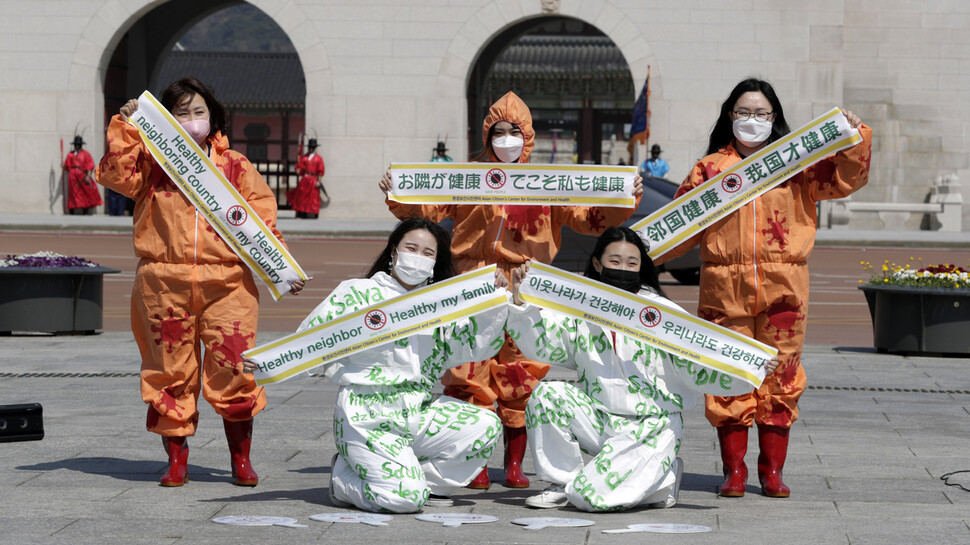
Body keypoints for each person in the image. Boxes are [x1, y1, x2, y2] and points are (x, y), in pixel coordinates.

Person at [380, 91, 643, 489]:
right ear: (487, 138)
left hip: (527, 282)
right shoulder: (468, 177)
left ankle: (515, 463)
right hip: (473, 281)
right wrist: (398, 193)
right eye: (498, 132)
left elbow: (589, 217)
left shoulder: (549, 183)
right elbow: (428, 208)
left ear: (528, 137)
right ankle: (472, 460)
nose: (506, 139)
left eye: (514, 132)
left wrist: (625, 195)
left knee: (521, 371)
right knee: (468, 367)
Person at [655, 77, 872, 498]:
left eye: (761, 113)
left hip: (784, 282)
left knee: (782, 374)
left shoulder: (798, 163)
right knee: (728, 368)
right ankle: (733, 471)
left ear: (775, 118)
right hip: (722, 283)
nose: (751, 120)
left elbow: (845, 180)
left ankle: (771, 472)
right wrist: (634, 257)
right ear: (729, 116)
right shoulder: (710, 168)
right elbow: (678, 225)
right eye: (743, 112)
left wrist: (853, 135)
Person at [96, 77, 306, 488]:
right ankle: (177, 460)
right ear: (166, 119)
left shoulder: (236, 166)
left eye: (199, 112)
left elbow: (261, 220)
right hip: (163, 279)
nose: (192, 121)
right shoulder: (152, 163)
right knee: (169, 370)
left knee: (235, 366)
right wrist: (127, 129)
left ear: (213, 116)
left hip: (227, 281)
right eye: (181, 113)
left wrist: (281, 267)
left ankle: (240, 458)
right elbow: (116, 177)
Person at [505, 227, 779, 511]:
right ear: (597, 264)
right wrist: (522, 303)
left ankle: (663, 477)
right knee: (548, 395)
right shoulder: (580, 308)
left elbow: (699, 363)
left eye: (631, 263)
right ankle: (560, 483)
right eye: (615, 261)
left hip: (650, 426)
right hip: (599, 418)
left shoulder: (661, 314)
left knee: (590, 498)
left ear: (641, 267)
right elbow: (547, 345)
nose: (623, 268)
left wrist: (750, 366)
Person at [246, 218, 505, 513]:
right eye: (411, 247)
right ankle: (344, 481)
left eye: (428, 253)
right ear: (394, 252)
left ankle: (424, 483)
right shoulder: (357, 293)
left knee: (484, 426)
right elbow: (312, 339)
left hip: (415, 411)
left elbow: (471, 342)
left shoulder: (441, 305)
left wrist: (493, 300)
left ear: (436, 262)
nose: (418, 257)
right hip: (365, 415)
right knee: (405, 500)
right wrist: (272, 361)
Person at [63, 135, 102, 215]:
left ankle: (85, 209)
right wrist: (64, 166)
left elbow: (90, 165)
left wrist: (88, 175)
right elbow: (67, 166)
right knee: (73, 193)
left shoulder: (86, 154)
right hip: (72, 176)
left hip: (82, 175)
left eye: (78, 144)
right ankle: (72, 209)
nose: (77, 146)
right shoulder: (71, 154)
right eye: (76, 144)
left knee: (85, 191)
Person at [289, 138, 327, 218]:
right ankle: (302, 213)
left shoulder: (318, 158)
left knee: (313, 198)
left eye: (312, 146)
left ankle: (314, 214)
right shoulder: (304, 158)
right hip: (305, 179)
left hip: (313, 179)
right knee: (302, 197)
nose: (311, 148)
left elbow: (320, 171)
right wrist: (298, 169)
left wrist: (319, 181)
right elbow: (300, 169)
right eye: (310, 146)